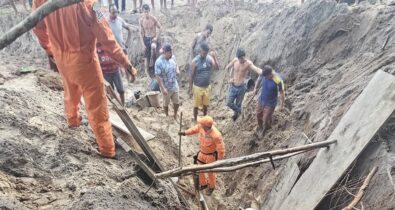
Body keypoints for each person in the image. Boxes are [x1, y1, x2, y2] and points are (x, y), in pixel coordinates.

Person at [32, 0, 137, 159]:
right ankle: (107, 149)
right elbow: (106, 36)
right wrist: (126, 63)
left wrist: (49, 49)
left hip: (60, 57)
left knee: (70, 89)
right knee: (97, 106)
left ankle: (73, 120)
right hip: (85, 61)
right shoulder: (89, 3)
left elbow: (37, 26)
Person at [178, 116, 225, 196]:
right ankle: (203, 184)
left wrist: (220, 160)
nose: (200, 124)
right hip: (202, 153)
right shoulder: (200, 127)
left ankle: (211, 187)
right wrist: (184, 133)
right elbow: (193, 130)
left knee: (210, 172)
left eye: (201, 123)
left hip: (211, 156)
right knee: (199, 169)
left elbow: (221, 149)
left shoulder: (216, 135)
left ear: (205, 126)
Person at [225, 48, 262, 121]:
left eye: (242, 58)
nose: (241, 60)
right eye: (240, 58)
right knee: (229, 102)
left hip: (241, 87)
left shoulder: (248, 63)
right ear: (237, 58)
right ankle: (241, 112)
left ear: (244, 56)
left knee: (238, 104)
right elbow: (227, 68)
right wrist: (229, 79)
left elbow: (256, 69)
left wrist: (264, 72)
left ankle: (236, 116)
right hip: (233, 86)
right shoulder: (235, 60)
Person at [189, 42, 219, 122]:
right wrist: (190, 89)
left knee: (206, 105)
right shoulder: (195, 61)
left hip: (207, 87)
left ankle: (204, 119)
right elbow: (191, 76)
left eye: (206, 53)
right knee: (196, 105)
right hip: (197, 87)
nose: (205, 55)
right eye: (204, 53)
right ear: (200, 51)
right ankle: (195, 119)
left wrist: (215, 58)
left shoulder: (209, 58)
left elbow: (217, 68)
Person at [254, 66, 285, 137]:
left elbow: (282, 93)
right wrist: (255, 88)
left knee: (265, 119)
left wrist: (282, 105)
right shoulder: (263, 74)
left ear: (270, 74)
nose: (265, 78)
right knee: (258, 115)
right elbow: (258, 79)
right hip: (262, 100)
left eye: (266, 77)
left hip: (271, 103)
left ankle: (265, 130)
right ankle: (260, 127)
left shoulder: (278, 80)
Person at [155, 44, 180, 119]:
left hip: (174, 84)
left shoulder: (172, 57)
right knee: (166, 103)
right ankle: (166, 114)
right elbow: (158, 76)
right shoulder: (159, 62)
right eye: (170, 53)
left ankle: (175, 114)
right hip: (166, 87)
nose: (171, 54)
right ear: (165, 52)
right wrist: (162, 88)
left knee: (177, 102)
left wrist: (177, 70)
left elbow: (176, 64)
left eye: (172, 52)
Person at [139, 4, 162, 78]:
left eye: (147, 11)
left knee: (154, 48)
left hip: (153, 38)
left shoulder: (153, 19)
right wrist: (142, 44)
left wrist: (156, 37)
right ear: (142, 12)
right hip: (146, 38)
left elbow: (160, 27)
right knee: (146, 56)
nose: (146, 13)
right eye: (144, 12)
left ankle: (155, 69)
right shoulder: (141, 20)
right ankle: (147, 73)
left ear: (149, 11)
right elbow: (140, 33)